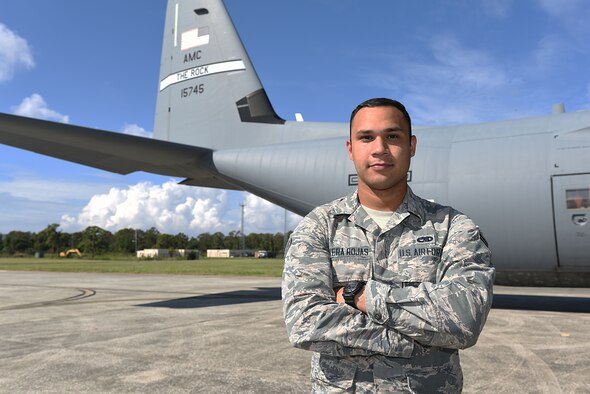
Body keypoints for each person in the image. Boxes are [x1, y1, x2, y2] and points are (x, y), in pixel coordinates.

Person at [282, 98, 495, 393]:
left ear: (412, 146)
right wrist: (418, 340)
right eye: (366, 137)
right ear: (351, 148)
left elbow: (464, 320)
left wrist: (360, 297)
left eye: (392, 136)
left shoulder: (453, 227)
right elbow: (305, 323)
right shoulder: (319, 226)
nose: (379, 148)